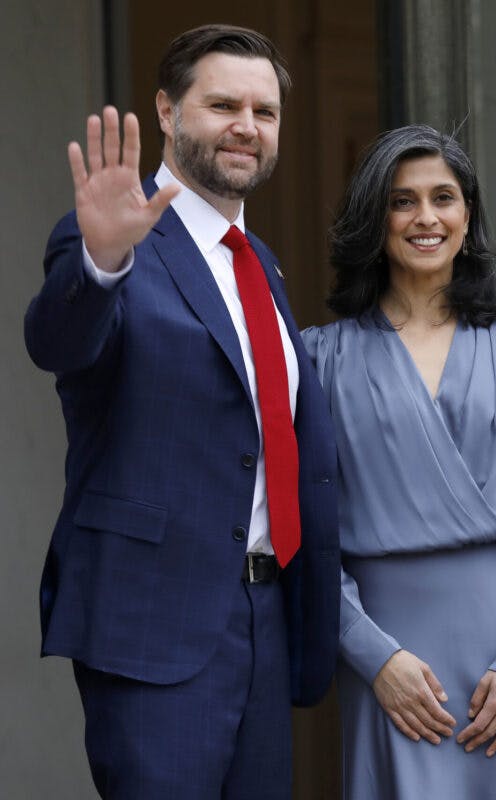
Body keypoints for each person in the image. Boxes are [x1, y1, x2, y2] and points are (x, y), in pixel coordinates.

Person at [23, 24, 339, 799]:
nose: (247, 126)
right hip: (153, 625)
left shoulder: (261, 266)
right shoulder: (115, 240)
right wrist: (102, 260)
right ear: (166, 111)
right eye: (223, 105)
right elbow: (58, 343)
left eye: (265, 112)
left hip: (264, 620)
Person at [301, 125, 496, 799]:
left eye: (443, 198)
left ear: (467, 215)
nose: (425, 217)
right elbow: (309, 530)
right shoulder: (321, 359)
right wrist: (372, 656)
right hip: (388, 660)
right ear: (375, 220)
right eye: (402, 201)